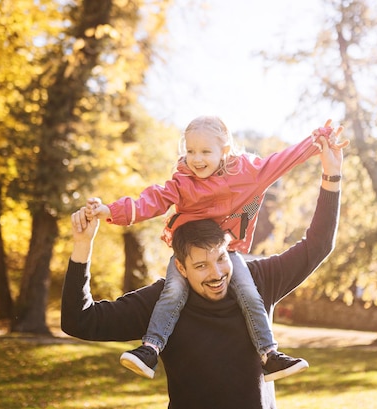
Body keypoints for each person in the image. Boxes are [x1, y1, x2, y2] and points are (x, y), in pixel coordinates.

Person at [62, 131, 347, 409]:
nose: (216, 274)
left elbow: (318, 245)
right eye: (200, 265)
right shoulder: (161, 301)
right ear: (180, 267)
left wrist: (331, 175)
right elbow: (79, 320)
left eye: (221, 258)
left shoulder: (258, 280)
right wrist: (83, 245)